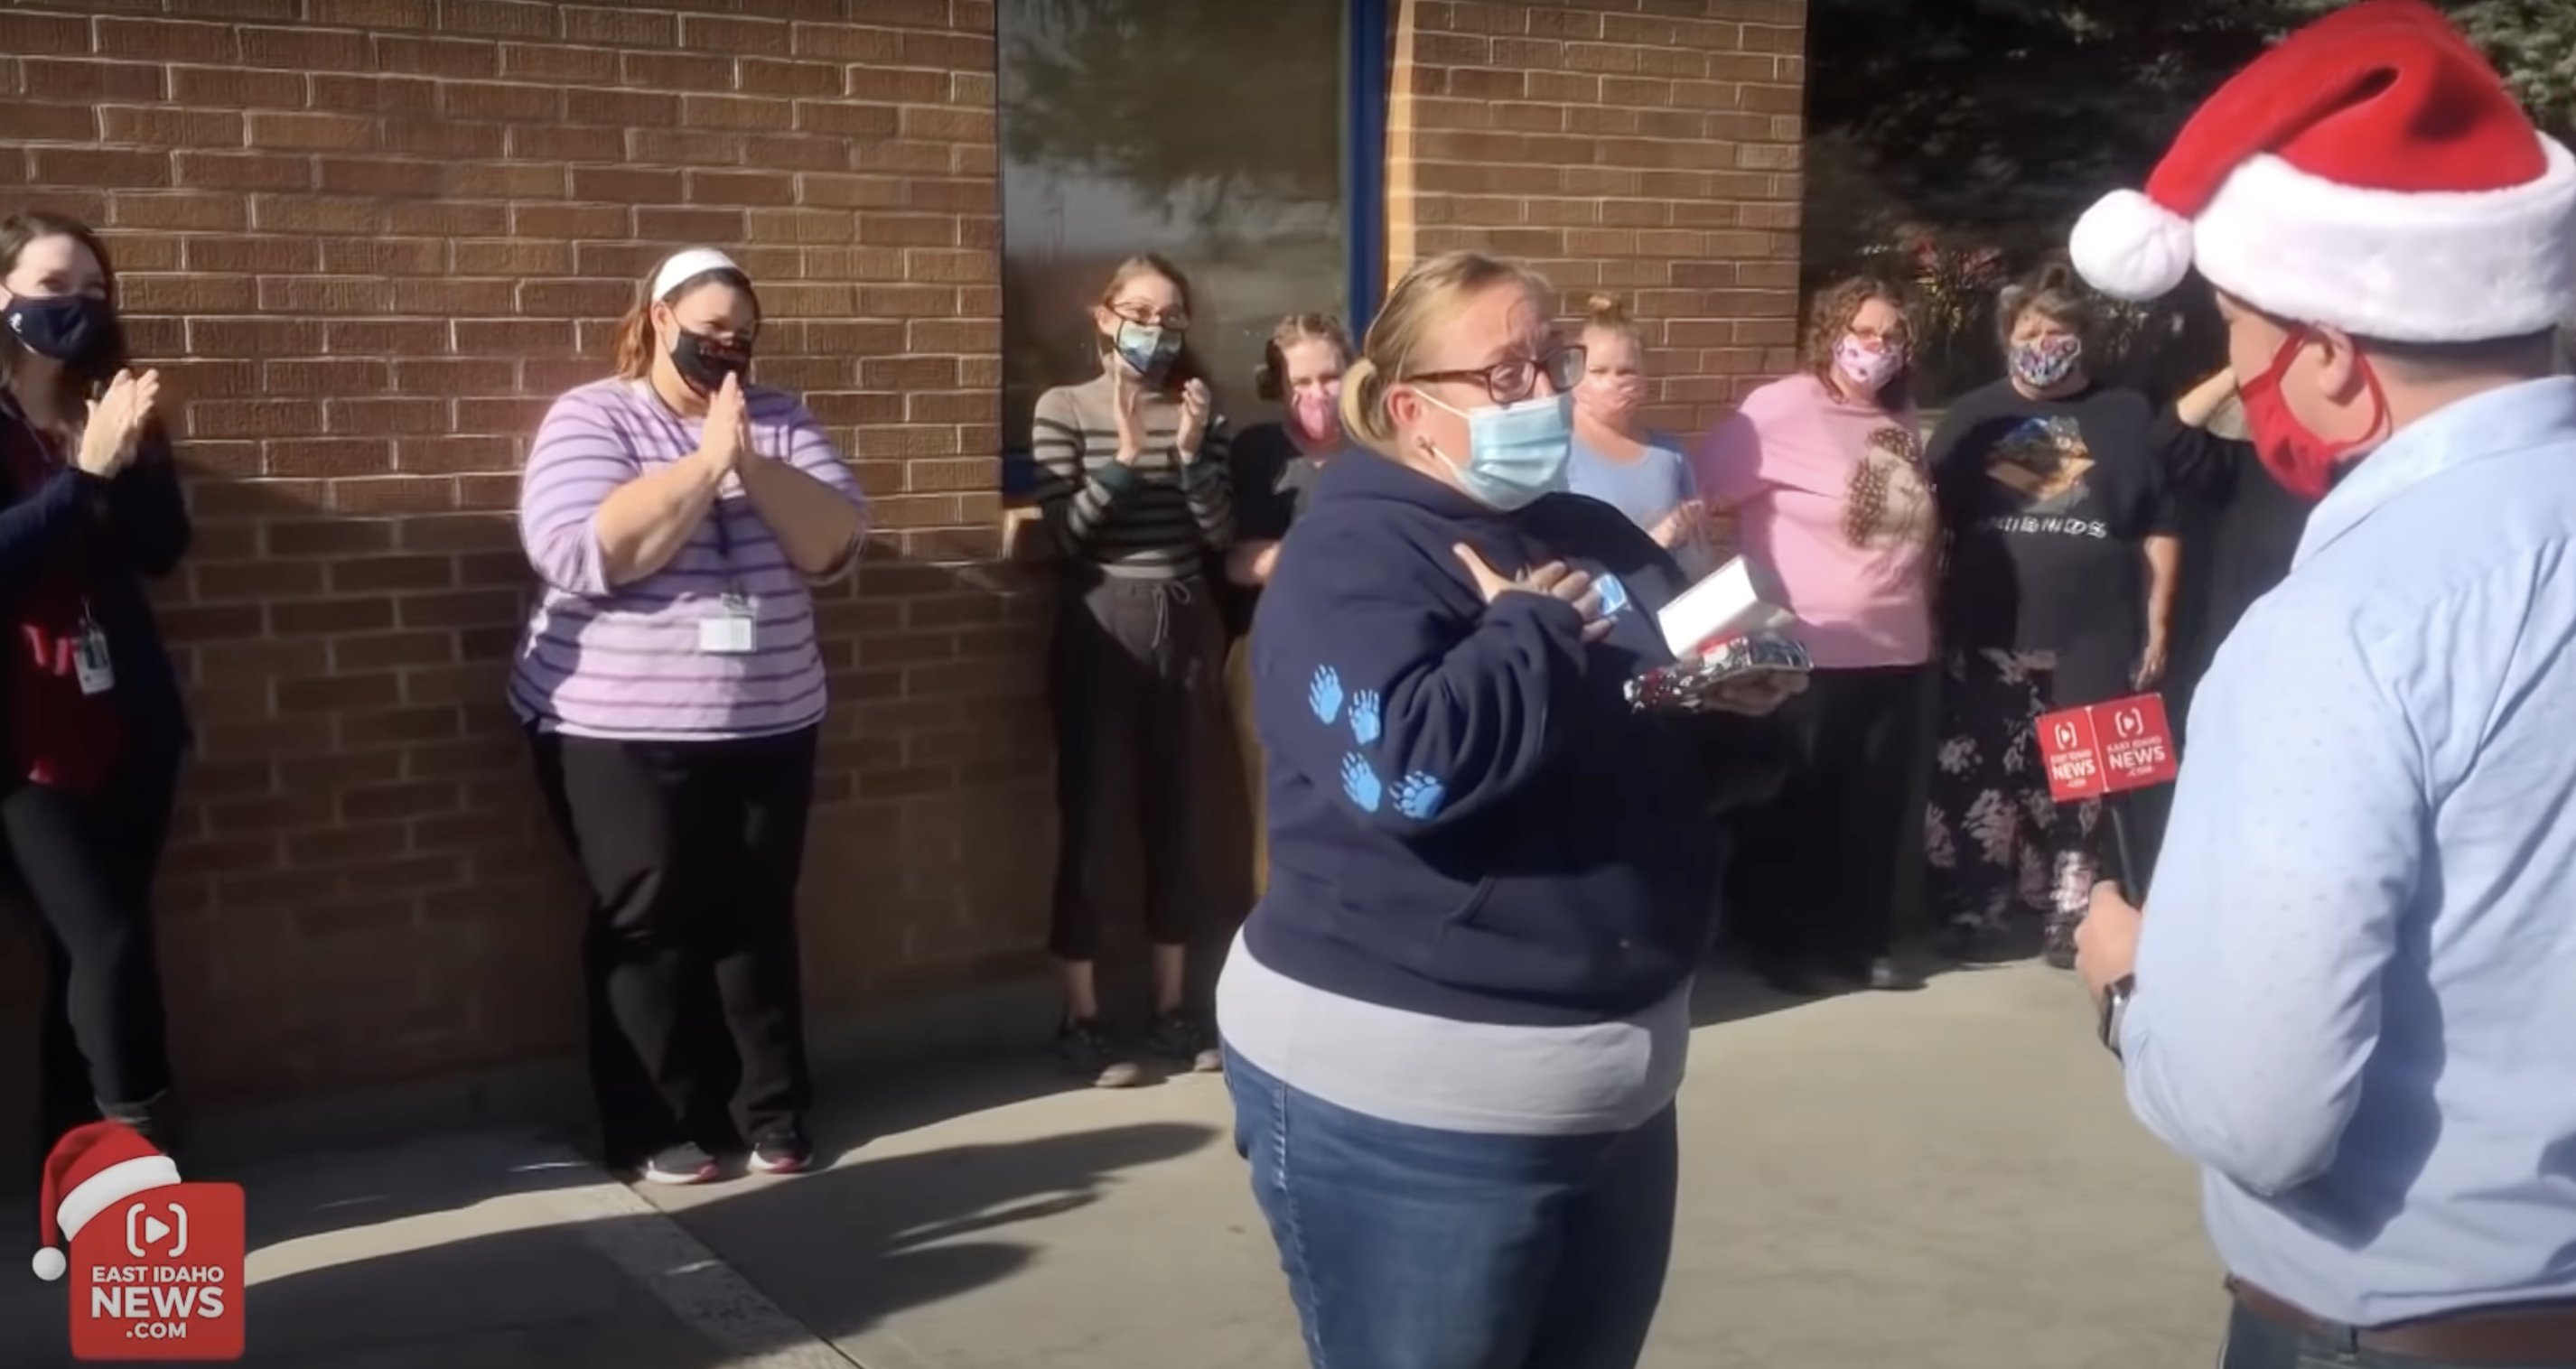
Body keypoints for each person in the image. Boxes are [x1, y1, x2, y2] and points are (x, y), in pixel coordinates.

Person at [2067, 4, 2576, 1364]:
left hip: (2406, 1314)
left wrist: (2130, 984)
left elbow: (2258, 1108)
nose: (2234, 375)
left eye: (2238, 328)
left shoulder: (2345, 623)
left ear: (2336, 363)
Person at [1216, 250, 1799, 1369]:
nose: (1546, 393)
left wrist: (1738, 708)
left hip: (1616, 1092)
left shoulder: (1593, 532)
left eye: (1553, 360)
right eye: (1507, 372)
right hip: (1410, 1111)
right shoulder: (1351, 553)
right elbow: (1406, 769)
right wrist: (1525, 634)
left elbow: (1666, 740)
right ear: (1409, 408)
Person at [513, 248, 870, 1186]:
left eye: (743, 335)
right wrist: (704, 464)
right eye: (710, 328)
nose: (727, 346)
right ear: (659, 320)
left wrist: (746, 457)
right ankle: (658, 1118)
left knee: (756, 912)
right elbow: (582, 551)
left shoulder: (779, 419)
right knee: (649, 917)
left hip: (769, 716)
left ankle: (771, 1108)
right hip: (618, 728)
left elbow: (832, 541)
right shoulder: (594, 414)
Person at [1921, 263, 2180, 967]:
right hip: (1988, 625)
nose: (2043, 340)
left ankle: (2076, 911)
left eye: (2057, 329)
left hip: (2095, 628)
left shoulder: (2125, 413)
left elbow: (2159, 522)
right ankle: (1974, 905)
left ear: (2081, 338)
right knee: (1978, 775)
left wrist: (2158, 621)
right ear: (2009, 335)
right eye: (2030, 328)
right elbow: (1927, 518)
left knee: (2084, 780)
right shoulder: (1976, 415)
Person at [0, 212, 191, 1159]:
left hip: (125, 718)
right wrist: (82, 475)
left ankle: (69, 1163)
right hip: (26, 742)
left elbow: (161, 551)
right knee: (107, 943)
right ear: (4, 295)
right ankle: (135, 1158)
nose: (73, 304)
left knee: (96, 952)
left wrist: (135, 450)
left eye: (92, 289)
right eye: (50, 283)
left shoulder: (101, 406)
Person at [1694, 275, 1939, 995]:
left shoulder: (1901, 415)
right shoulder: (1780, 409)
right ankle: (1784, 943)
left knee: (1874, 805)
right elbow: (1704, 496)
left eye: (1893, 336)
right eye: (1865, 332)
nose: (1879, 348)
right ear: (1831, 332)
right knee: (1800, 802)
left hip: (1899, 643)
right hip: (1809, 643)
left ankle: (1861, 942)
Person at [1031, 254, 1234, 1085]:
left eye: (1172, 314)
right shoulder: (1062, 407)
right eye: (1140, 311)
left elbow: (1218, 535)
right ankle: (1081, 1016)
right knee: (1093, 817)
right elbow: (1066, 538)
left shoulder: (1197, 408)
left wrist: (1187, 452)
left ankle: (1172, 1008)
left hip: (1185, 619)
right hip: (1103, 619)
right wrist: (1120, 454)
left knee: (1179, 816)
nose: (1156, 328)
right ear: (1103, 316)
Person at [1222, 313, 1354, 899]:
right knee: (1276, 815)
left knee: (1357, 802)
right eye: (1300, 383)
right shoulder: (1256, 454)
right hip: (1272, 652)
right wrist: (1317, 555)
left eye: (1329, 377)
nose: (1317, 394)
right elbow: (1235, 561)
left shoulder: (1378, 453)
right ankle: (1277, 945)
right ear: (1278, 389)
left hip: (1361, 651)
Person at [1568, 294, 1716, 577]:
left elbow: (1696, 560)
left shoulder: (1670, 454)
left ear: (1644, 377)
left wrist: (1688, 532)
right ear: (1575, 375)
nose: (1614, 382)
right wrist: (1652, 543)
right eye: (1599, 371)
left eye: (1626, 371)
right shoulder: (1555, 453)